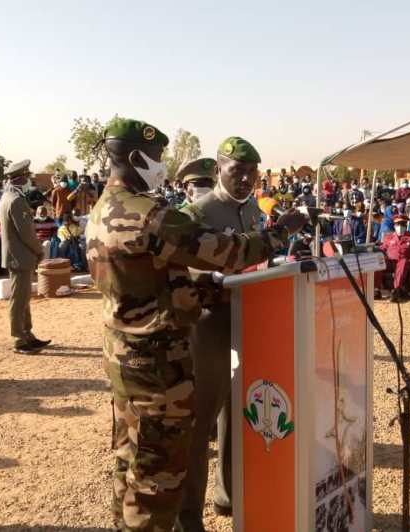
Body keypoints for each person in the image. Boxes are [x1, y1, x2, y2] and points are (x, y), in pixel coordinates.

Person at [85, 119, 305, 532]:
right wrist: (278, 234)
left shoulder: (103, 209)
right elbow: (224, 251)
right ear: (135, 157)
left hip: (125, 353)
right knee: (159, 474)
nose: (161, 165)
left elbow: (156, 279)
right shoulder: (150, 215)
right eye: (155, 157)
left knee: (131, 463)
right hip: (157, 360)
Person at [176, 139, 268, 530]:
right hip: (209, 321)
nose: (245, 179)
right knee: (200, 422)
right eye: (237, 171)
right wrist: (210, 275)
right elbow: (180, 266)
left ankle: (229, 495)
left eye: (252, 172)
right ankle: (187, 516)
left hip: (248, 315)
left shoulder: (253, 210)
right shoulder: (196, 211)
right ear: (219, 169)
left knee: (237, 412)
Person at [0, 160, 51, 353]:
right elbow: (27, 233)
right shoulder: (16, 200)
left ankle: (27, 334)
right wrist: (39, 250)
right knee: (19, 299)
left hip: (17, 255)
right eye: (27, 177)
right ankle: (19, 339)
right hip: (21, 256)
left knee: (23, 298)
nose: (29, 180)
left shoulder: (8, 197)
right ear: (20, 178)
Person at [378, 214, 410, 302]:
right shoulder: (389, 237)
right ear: (394, 226)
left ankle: (396, 290)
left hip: (404, 262)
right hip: (390, 262)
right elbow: (382, 249)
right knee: (377, 261)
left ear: (406, 225)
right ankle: (376, 289)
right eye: (398, 224)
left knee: (403, 262)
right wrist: (380, 254)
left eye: (403, 224)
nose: (400, 226)